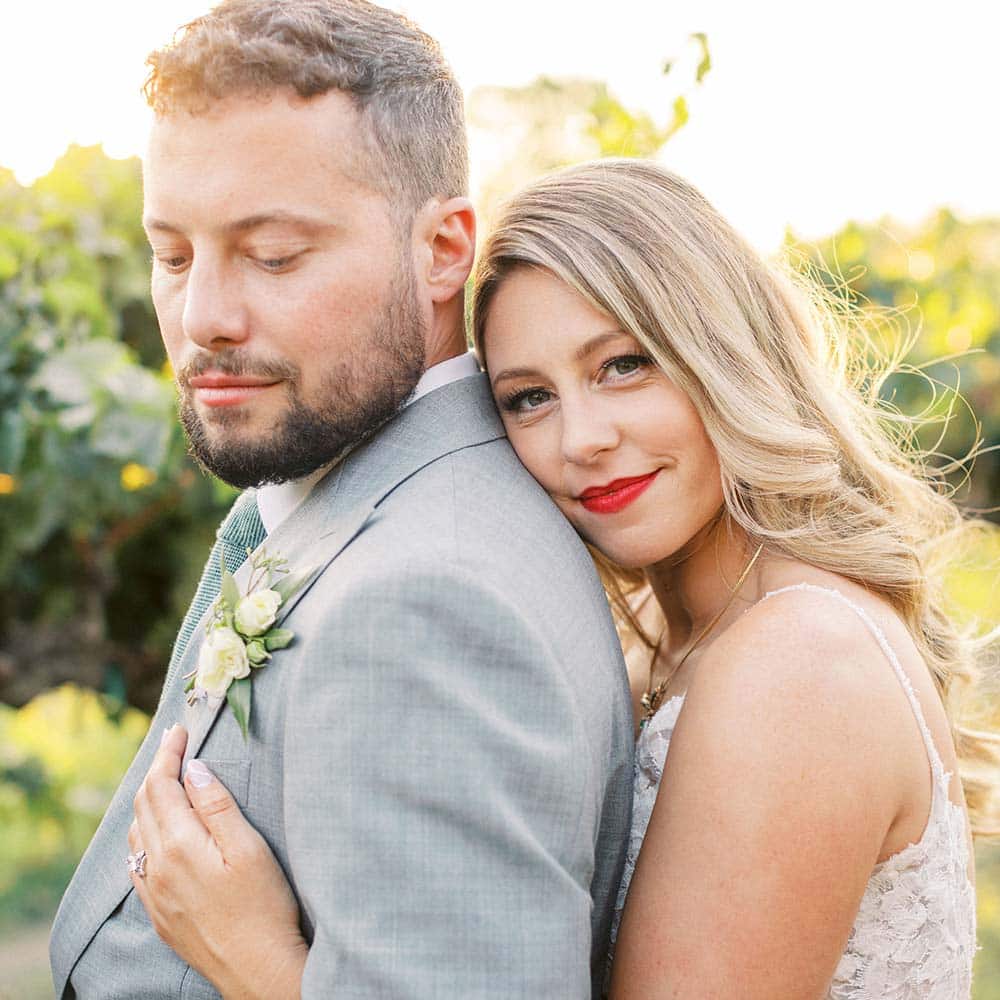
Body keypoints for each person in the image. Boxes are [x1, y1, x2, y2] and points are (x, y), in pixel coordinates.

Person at [124, 155, 998, 999]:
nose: (581, 438)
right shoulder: (675, 645)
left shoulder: (799, 662)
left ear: (728, 356)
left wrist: (257, 959)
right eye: (528, 398)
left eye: (623, 365)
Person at [47, 3, 634, 998]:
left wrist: (260, 966)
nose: (203, 321)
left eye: (273, 254)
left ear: (445, 248)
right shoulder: (352, 503)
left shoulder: (428, 604)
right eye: (173, 255)